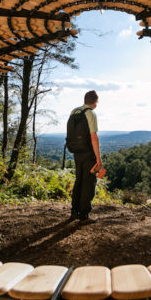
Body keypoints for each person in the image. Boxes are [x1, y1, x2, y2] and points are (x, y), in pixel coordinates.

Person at [70, 90, 103, 224]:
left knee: (79, 181)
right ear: (95, 102)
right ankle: (84, 215)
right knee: (88, 183)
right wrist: (98, 159)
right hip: (89, 154)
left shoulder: (74, 112)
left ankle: (74, 211)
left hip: (77, 152)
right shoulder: (91, 113)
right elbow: (93, 137)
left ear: (85, 100)